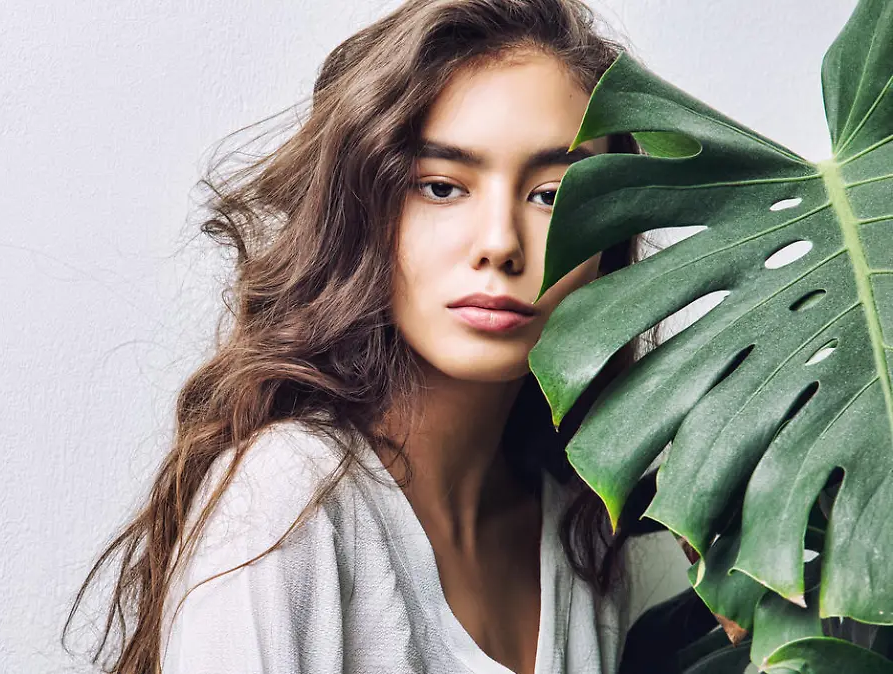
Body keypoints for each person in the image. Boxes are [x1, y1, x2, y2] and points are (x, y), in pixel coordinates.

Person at [65, 0, 691, 672]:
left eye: (552, 195)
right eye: (443, 187)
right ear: (362, 207)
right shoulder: (288, 500)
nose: (500, 246)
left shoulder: (584, 532)